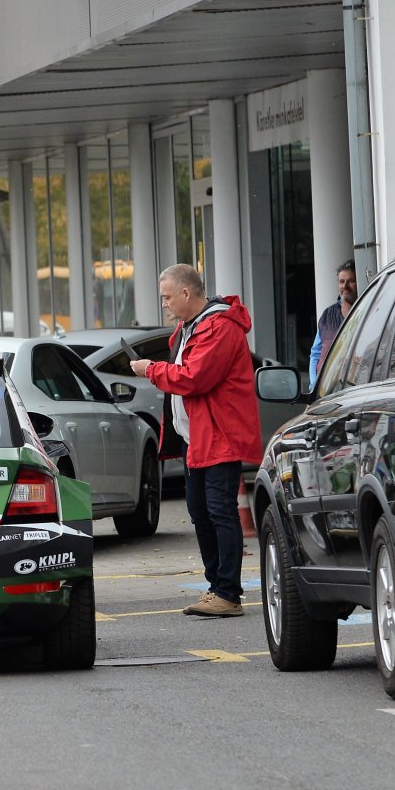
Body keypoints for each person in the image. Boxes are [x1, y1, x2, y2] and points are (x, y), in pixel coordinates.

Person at [129, 264, 263, 618]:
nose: (164, 305)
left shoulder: (218, 326)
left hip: (218, 435)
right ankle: (217, 588)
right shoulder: (191, 327)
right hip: (198, 437)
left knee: (219, 512)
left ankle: (227, 593)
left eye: (167, 297)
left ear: (187, 294)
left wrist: (150, 370)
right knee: (201, 513)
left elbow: (194, 378)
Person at [308, 261, 358, 384]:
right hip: (325, 390)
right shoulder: (327, 315)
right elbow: (316, 354)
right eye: (341, 281)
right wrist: (314, 386)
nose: (345, 286)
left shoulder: (370, 313)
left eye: (351, 281)